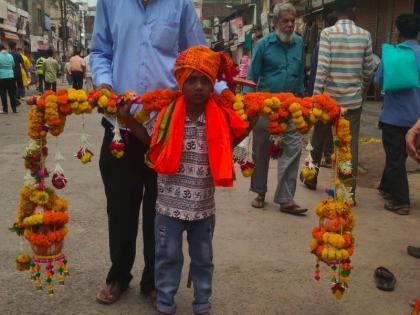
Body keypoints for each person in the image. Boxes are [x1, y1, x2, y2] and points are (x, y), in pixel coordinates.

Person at [90, 0, 227, 305]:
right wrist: (104, 85)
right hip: (120, 124)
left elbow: (201, 57)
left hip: (166, 125)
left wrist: (223, 92)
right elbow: (100, 51)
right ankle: (119, 275)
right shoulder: (110, 2)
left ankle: (155, 281)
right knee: (121, 206)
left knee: (161, 209)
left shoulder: (179, 5)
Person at [118, 45, 251, 315]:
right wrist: (126, 119)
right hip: (168, 207)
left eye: (205, 80)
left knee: (203, 260)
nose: (199, 87)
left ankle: (202, 304)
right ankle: (165, 304)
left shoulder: (220, 115)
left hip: (203, 209)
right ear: (181, 82)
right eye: (192, 80)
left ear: (212, 84)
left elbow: (232, 140)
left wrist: (255, 119)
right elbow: (149, 138)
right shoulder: (167, 114)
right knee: (168, 258)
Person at [303, 0, 374, 201]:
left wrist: (316, 99)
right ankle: (347, 190)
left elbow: (322, 69)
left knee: (318, 139)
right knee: (349, 146)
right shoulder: (365, 35)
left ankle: (311, 177)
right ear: (354, 10)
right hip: (353, 102)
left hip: (328, 102)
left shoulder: (328, 34)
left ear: (336, 11)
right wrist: (361, 90)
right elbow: (369, 70)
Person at [245, 3, 307, 215]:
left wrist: (304, 102)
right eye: (285, 21)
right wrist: (248, 106)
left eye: (293, 21)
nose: (290, 25)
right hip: (266, 106)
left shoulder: (299, 43)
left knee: (293, 149)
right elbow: (252, 77)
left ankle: (285, 198)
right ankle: (259, 192)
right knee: (261, 149)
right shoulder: (263, 45)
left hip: (292, 106)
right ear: (275, 23)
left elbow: (300, 77)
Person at [375, 14, 420, 215]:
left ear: (398, 32)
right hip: (417, 118)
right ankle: (386, 187)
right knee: (398, 157)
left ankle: (401, 201)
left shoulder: (392, 54)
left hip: (393, 117)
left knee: (395, 158)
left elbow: (379, 81)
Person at [306, 14, 338, 169]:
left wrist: (314, 95)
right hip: (346, 98)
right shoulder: (360, 37)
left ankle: (312, 172)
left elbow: (317, 71)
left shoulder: (322, 43)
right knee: (331, 132)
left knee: (320, 133)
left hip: (324, 96)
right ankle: (330, 158)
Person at [0, 43, 18, 113]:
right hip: (11, 75)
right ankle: (14, 109)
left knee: (3, 93)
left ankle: (5, 109)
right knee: (12, 93)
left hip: (2, 76)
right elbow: (13, 64)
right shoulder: (10, 56)